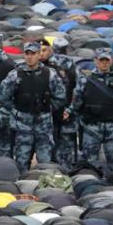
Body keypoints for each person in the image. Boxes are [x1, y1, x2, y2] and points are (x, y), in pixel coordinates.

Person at [0, 41, 67, 170]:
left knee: (45, 162)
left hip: (43, 123)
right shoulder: (15, 74)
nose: (29, 57)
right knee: (22, 161)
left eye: (33, 54)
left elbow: (61, 96)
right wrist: (16, 110)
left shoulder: (50, 74)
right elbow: (2, 96)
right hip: (22, 124)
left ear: (39, 55)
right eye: (27, 53)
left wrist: (48, 108)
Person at [70, 49, 113, 168]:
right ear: (95, 61)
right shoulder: (84, 80)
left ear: (111, 61)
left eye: (106, 60)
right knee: (90, 163)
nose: (104, 63)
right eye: (101, 60)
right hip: (91, 128)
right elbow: (77, 103)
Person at [44, 37, 79, 168]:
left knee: (50, 143)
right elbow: (79, 90)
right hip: (68, 112)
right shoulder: (74, 66)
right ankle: (67, 170)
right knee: (67, 146)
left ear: (53, 49)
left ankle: (52, 168)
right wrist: (70, 109)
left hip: (50, 111)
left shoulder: (47, 65)